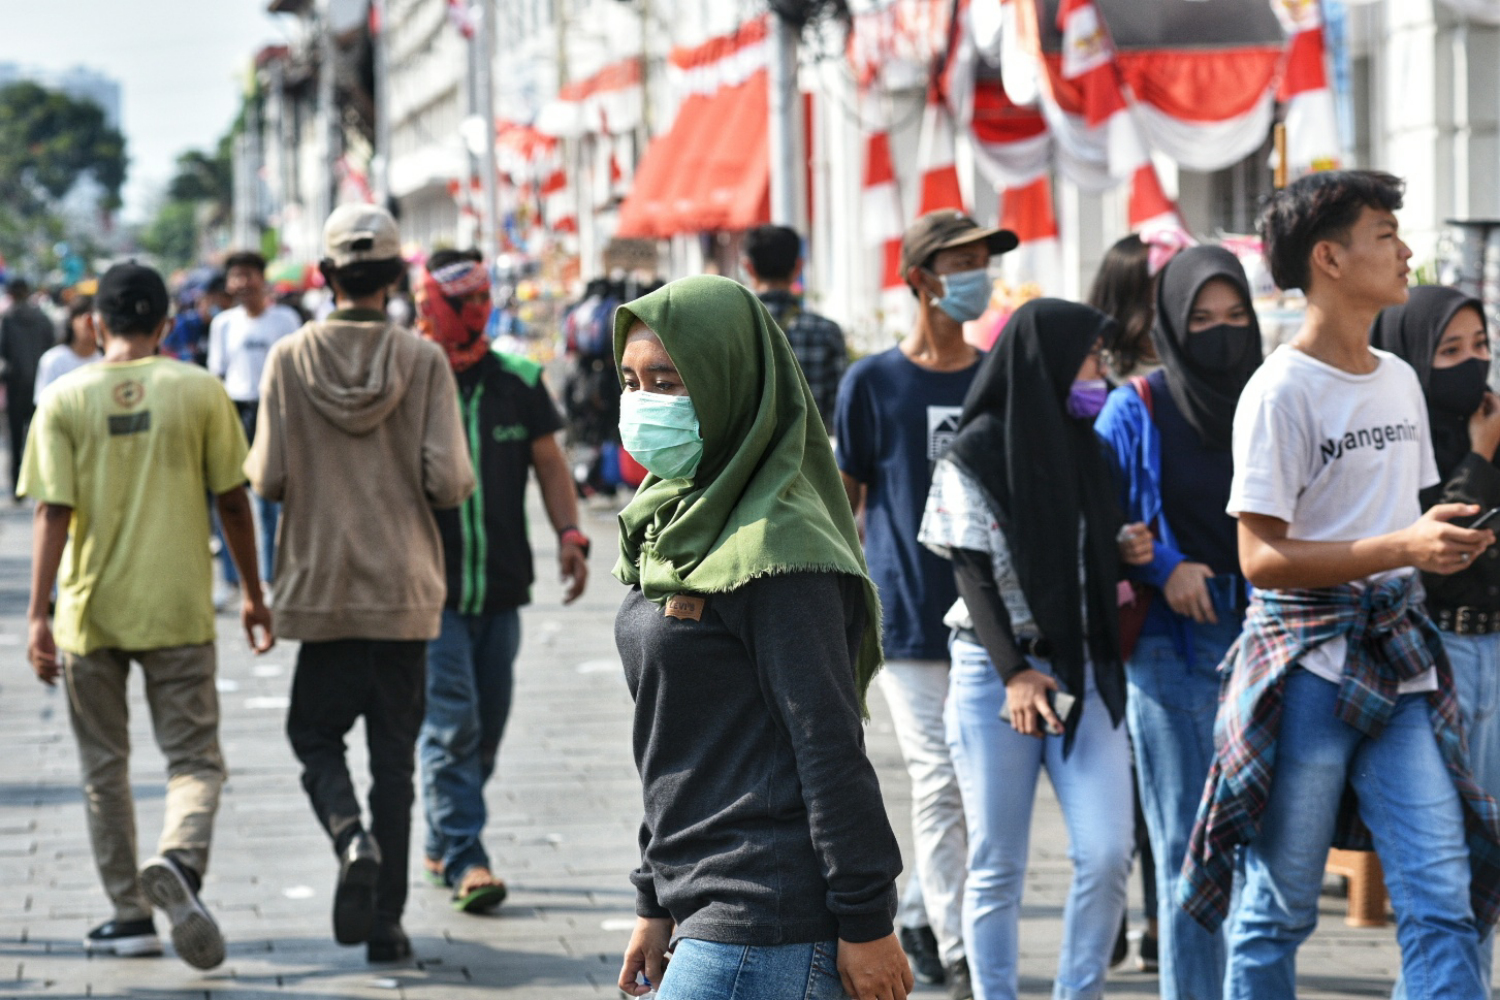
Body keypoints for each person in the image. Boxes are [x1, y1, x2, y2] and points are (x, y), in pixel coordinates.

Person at [1181, 170, 1500, 999]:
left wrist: (1435, 545)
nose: (1405, 252)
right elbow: (1259, 558)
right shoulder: (1279, 391)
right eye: (1385, 235)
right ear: (1328, 258)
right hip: (1307, 668)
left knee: (1443, 897)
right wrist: (1401, 545)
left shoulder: (1396, 376)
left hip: (1400, 654)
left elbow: (1396, 519)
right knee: (1280, 909)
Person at [611, 275, 910, 1000]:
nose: (644, 404)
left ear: (731, 383)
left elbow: (827, 742)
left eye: (669, 383)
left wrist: (867, 920)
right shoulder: (669, 521)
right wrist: (653, 896)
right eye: (631, 382)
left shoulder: (778, 547)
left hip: (767, 917)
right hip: (700, 901)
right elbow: (673, 739)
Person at [20, 261, 273, 970]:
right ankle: (181, 860)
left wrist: (37, 616)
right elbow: (233, 501)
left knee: (104, 768)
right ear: (165, 324)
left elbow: (51, 513)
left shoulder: (63, 398)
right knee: (194, 758)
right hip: (178, 607)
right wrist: (254, 593)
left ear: (95, 323)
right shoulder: (199, 390)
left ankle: (129, 917)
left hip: (89, 611)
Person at [245, 205, 474, 962]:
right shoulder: (424, 361)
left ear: (327, 276)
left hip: (324, 588)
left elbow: (267, 476)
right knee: (395, 764)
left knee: (313, 735)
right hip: (404, 589)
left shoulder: (289, 358)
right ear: (396, 277)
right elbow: (450, 482)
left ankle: (350, 836)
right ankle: (387, 924)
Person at [919, 298, 1152, 1000]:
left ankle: (1078, 991)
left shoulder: (1090, 449)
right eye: (1090, 358)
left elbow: (1082, 546)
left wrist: (1121, 547)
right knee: (998, 862)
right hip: (998, 672)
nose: (1100, 373)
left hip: (1083, 665)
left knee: (1108, 851)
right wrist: (1016, 673)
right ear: (1047, 362)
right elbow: (971, 572)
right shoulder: (974, 453)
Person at [834, 209, 1015, 997]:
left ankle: (921, 911)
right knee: (939, 778)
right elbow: (844, 499)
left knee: (975, 785)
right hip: (906, 612)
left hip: (991, 618)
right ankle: (958, 940)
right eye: (962, 262)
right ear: (920, 279)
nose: (979, 276)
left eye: (983, 261)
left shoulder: (997, 376)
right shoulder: (872, 383)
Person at [1093, 245, 1263, 1000]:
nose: (1221, 332)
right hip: (1173, 645)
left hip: (1271, 639)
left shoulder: (1272, 395)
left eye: (1236, 316)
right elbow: (1093, 521)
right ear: (1169, 324)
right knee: (1190, 850)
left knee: (1268, 854)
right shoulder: (1137, 406)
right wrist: (1163, 564)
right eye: (1202, 319)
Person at [413, 251, 590, 913]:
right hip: (430, 591)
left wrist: (570, 534)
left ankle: (442, 838)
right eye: (461, 303)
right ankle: (467, 856)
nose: (476, 313)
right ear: (433, 306)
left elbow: (550, 464)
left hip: (502, 585)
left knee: (485, 729)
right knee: (452, 725)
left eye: (481, 300)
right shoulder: (411, 377)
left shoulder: (518, 379)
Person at [1372, 285, 1500, 998]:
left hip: (1494, 652)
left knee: (1486, 866)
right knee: (1445, 872)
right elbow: (1446, 547)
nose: (1472, 364)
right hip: (1436, 658)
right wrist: (1480, 456)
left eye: (1480, 346)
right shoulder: (1401, 441)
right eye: (1450, 351)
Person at [208, 251, 302, 599]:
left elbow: (297, 370)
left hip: (274, 409)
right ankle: (232, 579)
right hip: (236, 408)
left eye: (249, 274)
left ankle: (270, 577)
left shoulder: (285, 319)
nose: (243, 283)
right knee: (230, 491)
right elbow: (217, 373)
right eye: (236, 276)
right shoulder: (224, 324)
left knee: (268, 495)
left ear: (262, 279)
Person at [741, 224, 847, 431]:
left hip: (748, 451)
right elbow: (838, 413)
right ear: (798, 267)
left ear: (748, 268)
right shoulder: (826, 332)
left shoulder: (732, 329)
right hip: (807, 448)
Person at [1, 277, 60, 497]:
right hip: (40, 384)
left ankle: (18, 484)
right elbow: (51, 346)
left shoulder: (7, 319)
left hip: (16, 384)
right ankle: (41, 483)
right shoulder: (42, 318)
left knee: (16, 438)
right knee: (41, 436)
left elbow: (2, 351)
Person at [34, 295, 102, 400]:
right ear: (72, 320)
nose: (90, 323)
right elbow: (43, 401)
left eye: (94, 318)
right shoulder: (53, 360)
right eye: (85, 317)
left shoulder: (106, 360)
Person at [164, 272, 228, 366]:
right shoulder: (184, 325)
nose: (219, 304)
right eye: (213, 299)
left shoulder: (229, 327)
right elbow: (167, 353)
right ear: (201, 300)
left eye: (225, 298)